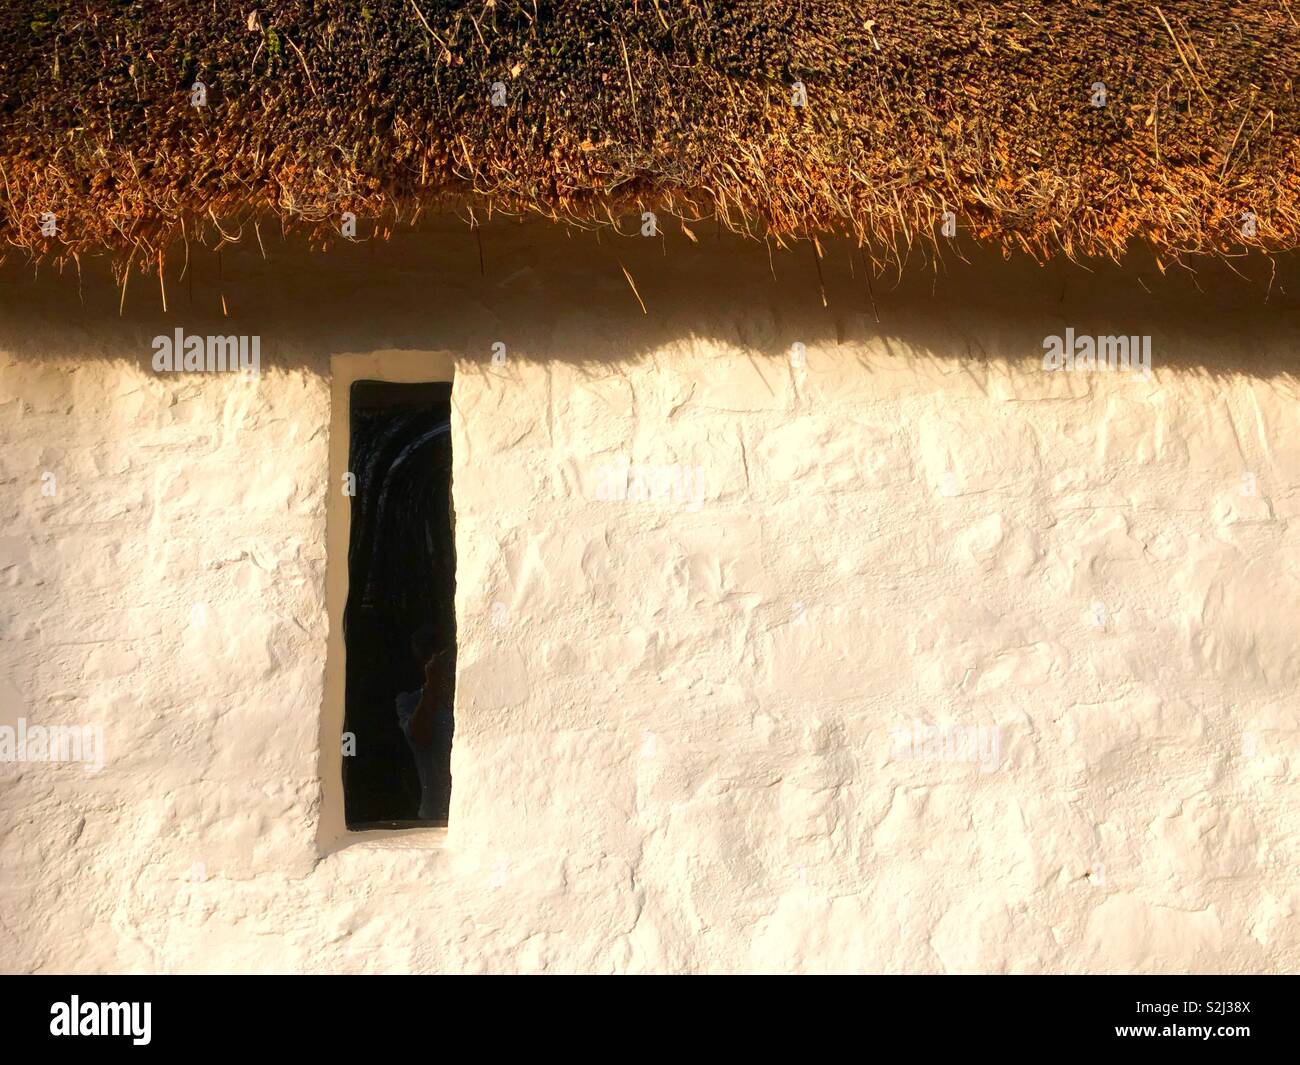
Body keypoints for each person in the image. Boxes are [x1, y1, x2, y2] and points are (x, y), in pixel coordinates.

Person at [395, 626, 454, 820]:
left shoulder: (462, 700)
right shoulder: (409, 701)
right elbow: (419, 736)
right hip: (435, 814)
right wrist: (433, 685)